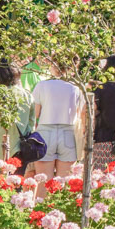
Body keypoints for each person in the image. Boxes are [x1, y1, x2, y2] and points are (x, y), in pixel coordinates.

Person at [32, 65, 85, 194]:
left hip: (45, 131)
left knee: (43, 181)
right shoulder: (76, 87)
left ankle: (41, 209)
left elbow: (35, 114)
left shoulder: (42, 85)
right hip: (68, 132)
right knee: (65, 181)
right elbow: (81, 114)